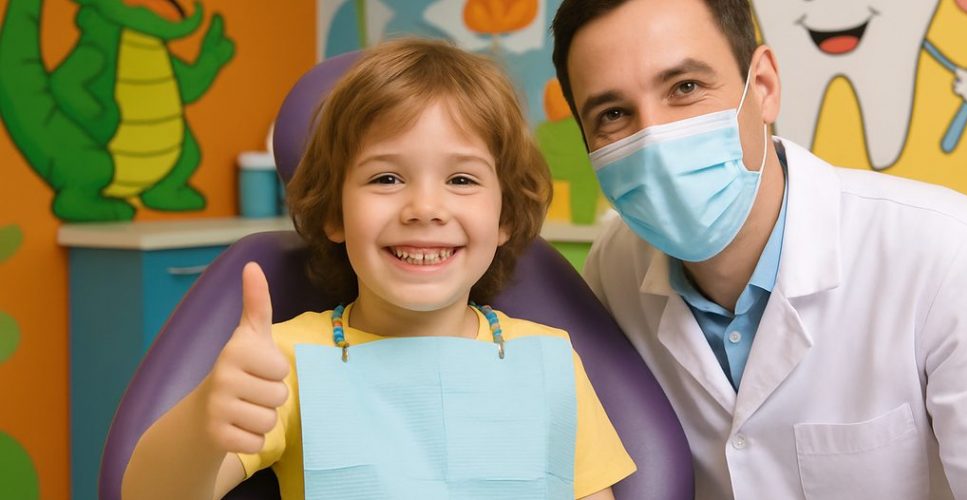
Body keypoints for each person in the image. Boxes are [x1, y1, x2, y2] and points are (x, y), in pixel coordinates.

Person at [550, 0, 967, 498]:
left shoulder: (952, 254)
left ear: (763, 86)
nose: (656, 138)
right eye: (614, 115)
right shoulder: (613, 268)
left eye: (686, 88)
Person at [122, 38, 635, 500]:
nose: (424, 207)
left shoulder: (550, 361)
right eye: (387, 178)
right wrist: (204, 423)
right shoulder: (288, 361)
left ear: (504, 216)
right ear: (333, 214)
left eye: (461, 179)